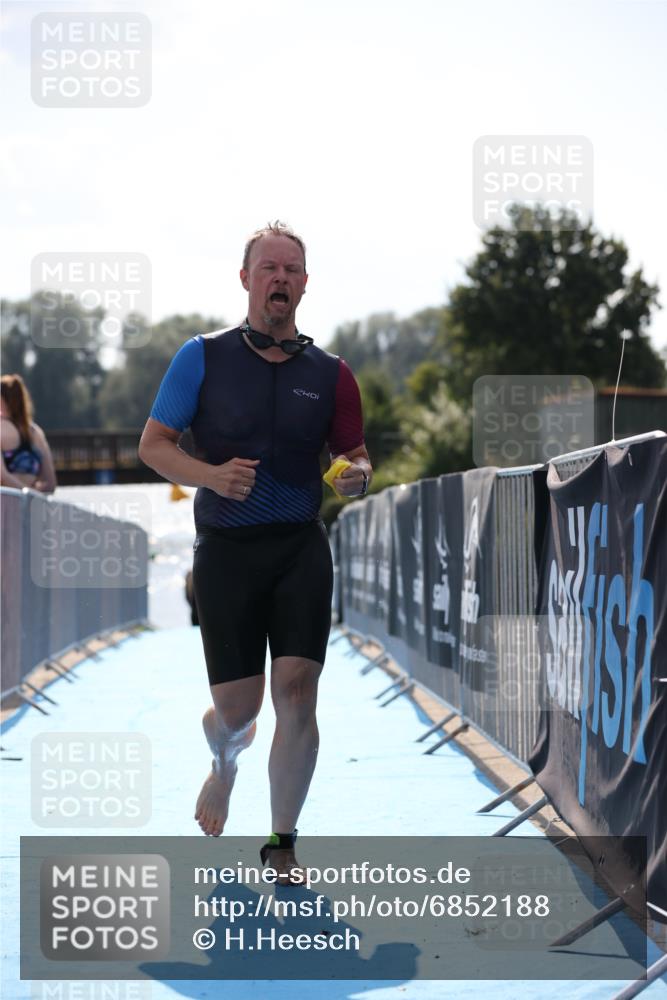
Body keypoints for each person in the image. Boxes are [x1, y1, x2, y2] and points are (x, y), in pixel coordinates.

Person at [139, 221, 372, 880]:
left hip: (300, 543)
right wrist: (210, 476)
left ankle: (282, 840)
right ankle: (223, 763)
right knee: (239, 712)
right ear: (245, 279)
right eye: (267, 268)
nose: (279, 279)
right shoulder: (202, 357)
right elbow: (152, 445)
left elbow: (353, 457)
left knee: (297, 692)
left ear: (304, 284)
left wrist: (358, 474)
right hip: (227, 551)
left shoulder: (331, 374)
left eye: (290, 270)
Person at [1, 374, 57, 494]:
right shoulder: (37, 432)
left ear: (3, 401)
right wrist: (32, 494)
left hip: (7, 502)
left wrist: (27, 493)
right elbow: (51, 483)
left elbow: (3, 475)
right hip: (31, 505)